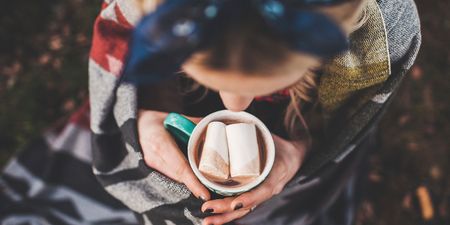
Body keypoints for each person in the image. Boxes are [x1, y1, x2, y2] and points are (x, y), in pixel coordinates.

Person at [0, 0, 421, 224]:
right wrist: (150, 112)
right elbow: (128, 50)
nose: (232, 105)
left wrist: (298, 149)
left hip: (300, 115)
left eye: (263, 84)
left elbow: (348, 116)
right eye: (205, 69)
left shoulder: (378, 33)